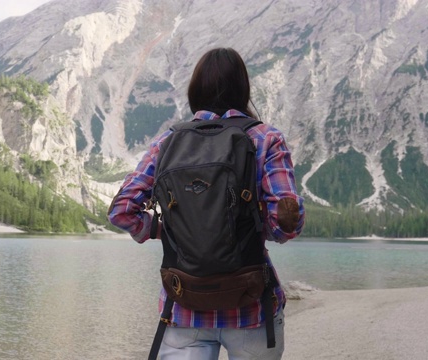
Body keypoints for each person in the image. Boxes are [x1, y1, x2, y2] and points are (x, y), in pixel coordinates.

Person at [107, 47, 305, 359]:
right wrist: (251, 224)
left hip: (184, 305)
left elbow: (121, 211)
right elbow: (284, 228)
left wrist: (162, 229)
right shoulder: (266, 139)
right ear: (243, 89)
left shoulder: (166, 143)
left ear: (195, 89)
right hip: (251, 305)